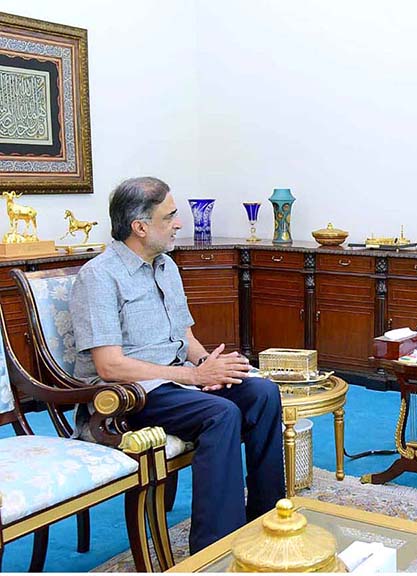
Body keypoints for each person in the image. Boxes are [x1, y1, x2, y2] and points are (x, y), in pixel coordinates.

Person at [69, 176, 285, 554]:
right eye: (169, 217)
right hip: (128, 395)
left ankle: (267, 520)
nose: (179, 223)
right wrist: (193, 375)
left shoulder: (166, 266)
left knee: (263, 392)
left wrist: (210, 365)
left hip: (176, 382)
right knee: (221, 414)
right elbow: (109, 366)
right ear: (140, 227)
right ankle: (215, 548)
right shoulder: (99, 277)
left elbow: (185, 338)